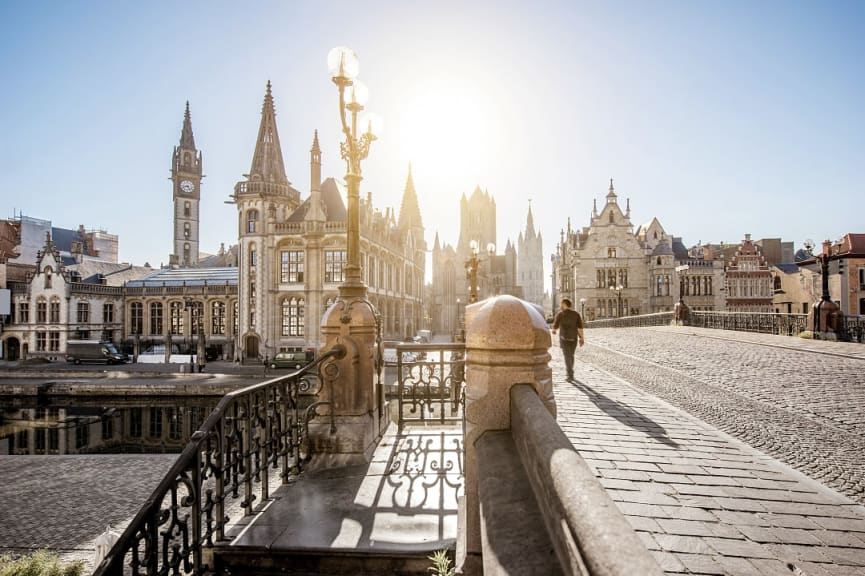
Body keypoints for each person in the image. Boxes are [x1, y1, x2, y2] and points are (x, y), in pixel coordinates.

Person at [551, 298, 584, 382]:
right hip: (573, 338)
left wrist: (554, 330)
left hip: (564, 338)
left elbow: (555, 325)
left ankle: (570, 374)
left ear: (565, 304)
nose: (560, 305)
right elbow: (580, 327)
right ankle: (570, 372)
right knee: (570, 356)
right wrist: (581, 338)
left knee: (567, 356)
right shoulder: (576, 314)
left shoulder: (560, 314)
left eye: (561, 304)